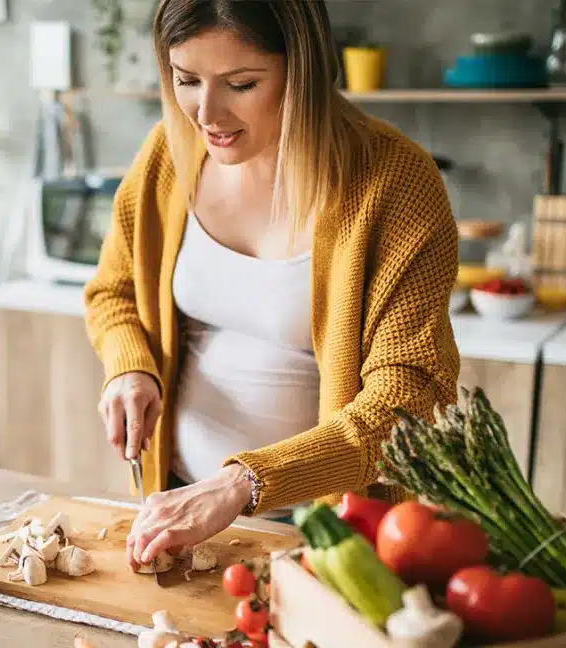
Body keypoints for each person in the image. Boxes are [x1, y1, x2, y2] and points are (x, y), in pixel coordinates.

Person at [83, 0, 461, 572]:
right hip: (182, 501)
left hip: (328, 530)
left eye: (240, 83)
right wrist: (130, 365)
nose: (206, 113)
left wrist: (243, 482)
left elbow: (404, 401)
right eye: (186, 80)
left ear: (302, 70)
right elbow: (114, 292)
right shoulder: (169, 153)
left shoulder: (394, 183)